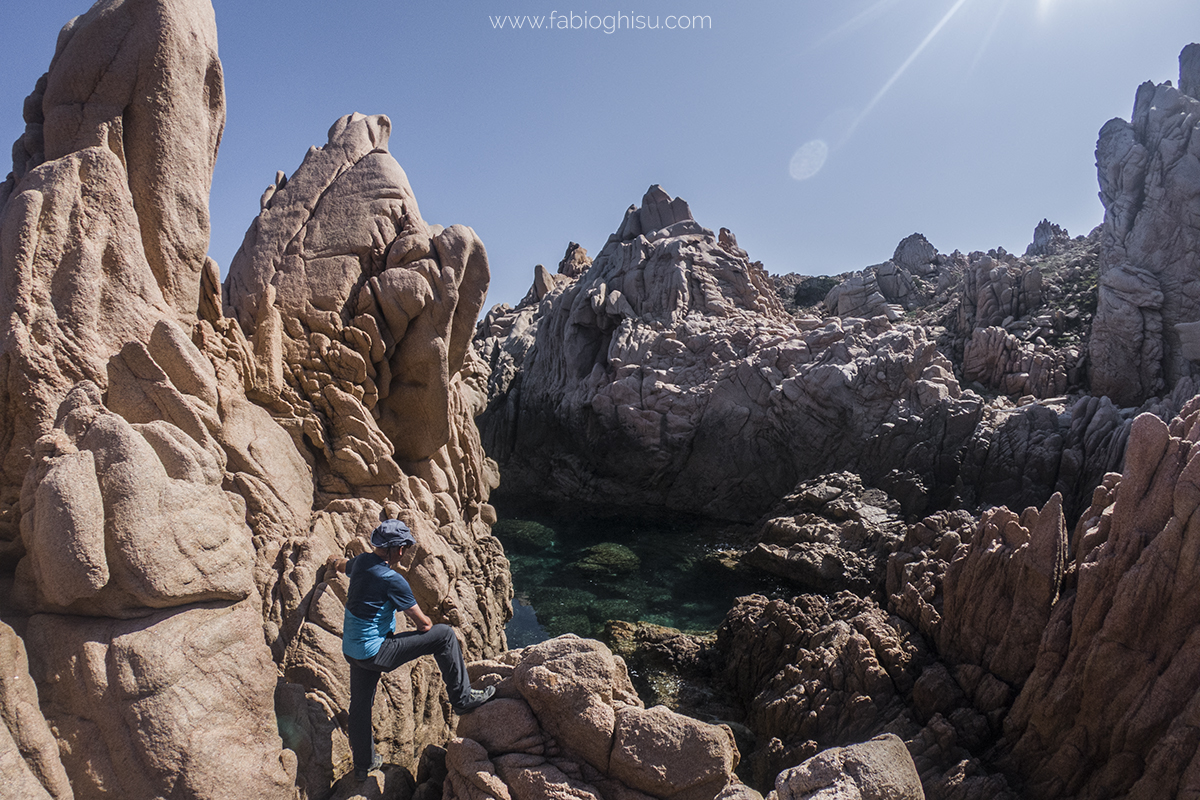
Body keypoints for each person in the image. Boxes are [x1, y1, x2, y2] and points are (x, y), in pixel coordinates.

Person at [327, 518, 495, 781]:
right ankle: (462, 699)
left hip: (352, 651)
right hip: (377, 652)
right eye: (404, 547)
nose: (405, 552)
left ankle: (364, 764)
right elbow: (425, 624)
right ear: (397, 549)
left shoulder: (361, 562)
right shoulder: (392, 579)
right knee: (444, 635)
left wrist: (331, 562)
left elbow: (341, 565)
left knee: (360, 705)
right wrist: (417, 631)